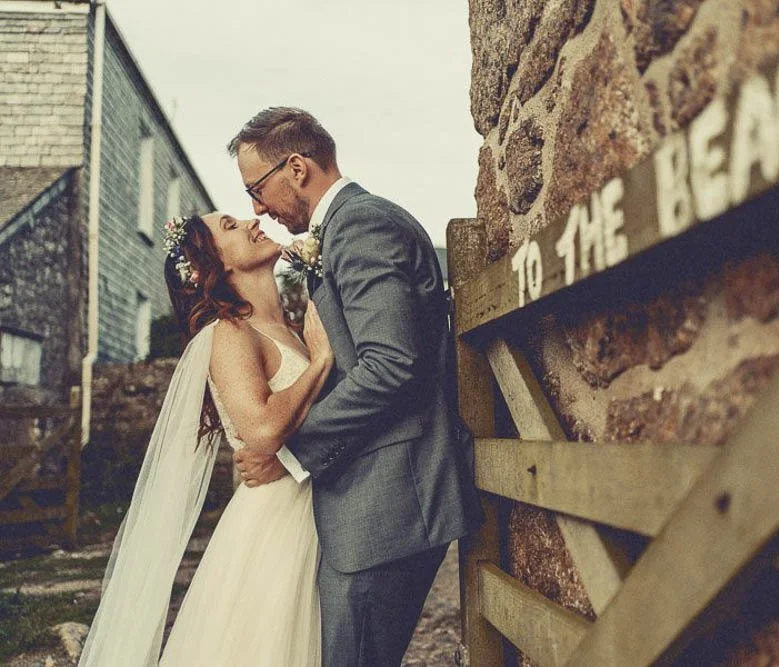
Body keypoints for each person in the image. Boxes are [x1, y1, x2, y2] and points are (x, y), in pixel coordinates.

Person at [229, 107, 481, 666]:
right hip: (369, 503)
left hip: (387, 504)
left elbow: (390, 364)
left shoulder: (362, 226)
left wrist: (290, 452)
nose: (256, 208)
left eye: (256, 188)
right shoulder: (343, 230)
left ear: (296, 168)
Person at [79, 212, 333, 665]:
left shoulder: (290, 328)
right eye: (231, 227)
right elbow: (260, 431)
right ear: (213, 266)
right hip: (275, 524)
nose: (253, 220)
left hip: (314, 509)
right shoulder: (230, 334)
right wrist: (318, 364)